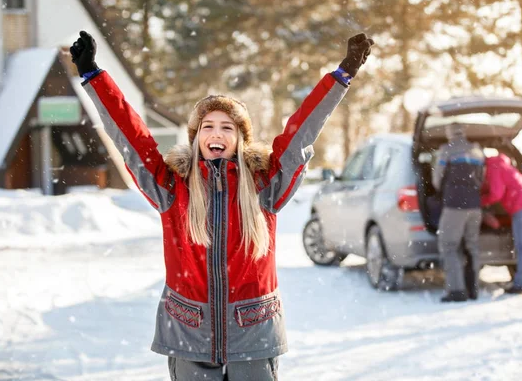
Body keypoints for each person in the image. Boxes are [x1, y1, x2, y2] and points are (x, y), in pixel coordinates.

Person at [69, 30, 373, 380]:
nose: (217, 134)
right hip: (189, 334)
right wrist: (94, 76)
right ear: (197, 137)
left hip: (254, 333)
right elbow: (131, 138)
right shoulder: (171, 188)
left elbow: (300, 134)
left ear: (241, 139)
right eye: (208, 127)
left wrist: (341, 76)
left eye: (227, 127)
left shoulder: (265, 187)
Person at [432, 123, 485, 303]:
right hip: (475, 206)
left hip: (455, 204)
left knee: (448, 245)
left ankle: (457, 290)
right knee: (472, 246)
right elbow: (481, 178)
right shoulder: (477, 150)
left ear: (449, 134)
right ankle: (473, 289)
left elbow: (437, 179)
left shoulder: (446, 151)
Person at [481, 153, 522, 294]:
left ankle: (520, 284)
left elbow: (496, 194)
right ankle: (520, 279)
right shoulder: (501, 165)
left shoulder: (493, 168)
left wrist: (480, 201)